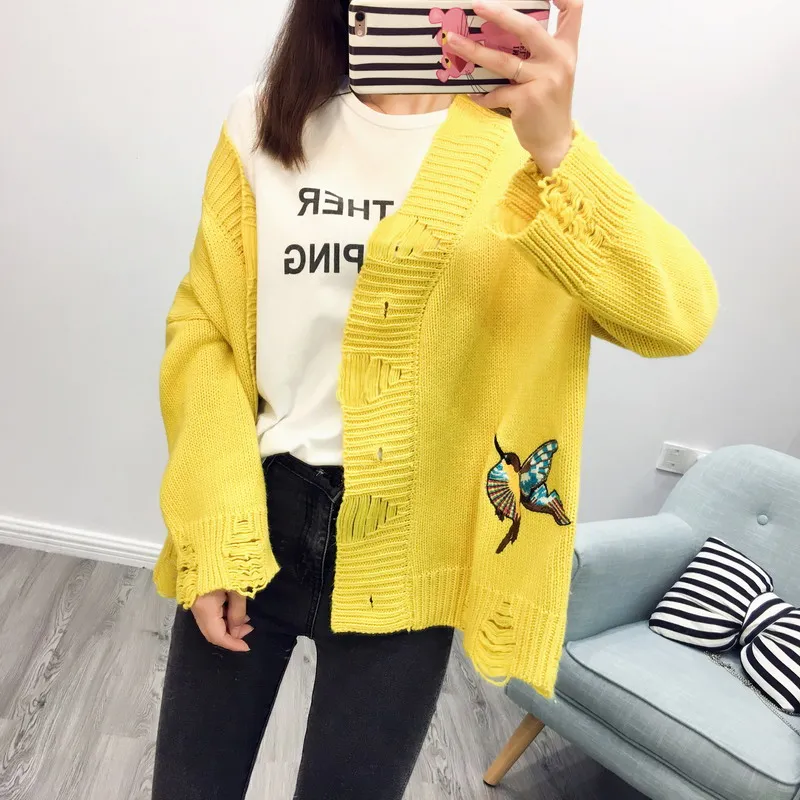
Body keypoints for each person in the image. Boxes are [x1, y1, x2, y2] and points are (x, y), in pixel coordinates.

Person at [150, 0, 718, 798]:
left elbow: (678, 318)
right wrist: (215, 527)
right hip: (256, 513)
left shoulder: (525, 155)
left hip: (413, 547)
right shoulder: (263, 120)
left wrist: (559, 150)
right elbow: (203, 330)